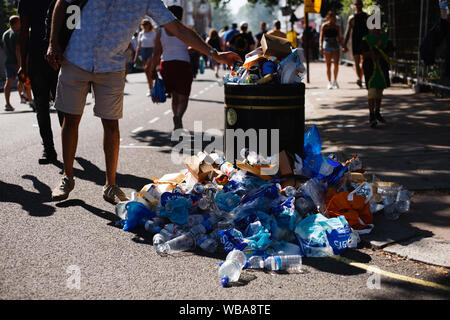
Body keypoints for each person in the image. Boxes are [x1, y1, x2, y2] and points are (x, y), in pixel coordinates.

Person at [46, 0, 241, 203]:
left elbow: (178, 28)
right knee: (70, 120)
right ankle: (67, 177)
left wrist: (215, 54)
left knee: (111, 124)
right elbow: (62, 3)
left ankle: (110, 185)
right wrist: (53, 43)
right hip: (76, 58)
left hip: (111, 66)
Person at [18, 0, 64, 165]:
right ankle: (49, 149)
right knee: (42, 106)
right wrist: (23, 64)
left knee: (62, 106)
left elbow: (75, 26)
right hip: (38, 58)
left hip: (60, 57)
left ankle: (66, 148)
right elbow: (24, 31)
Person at [360, 27, 394, 128]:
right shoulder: (365, 39)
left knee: (379, 92)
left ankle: (377, 112)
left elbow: (391, 52)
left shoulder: (385, 39)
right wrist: (374, 49)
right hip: (370, 69)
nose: (376, 29)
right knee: (372, 92)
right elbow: (363, 53)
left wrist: (383, 53)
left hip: (382, 69)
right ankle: (371, 115)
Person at [343, 0, 369, 88]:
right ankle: (359, 78)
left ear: (362, 5)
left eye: (359, 4)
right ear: (354, 6)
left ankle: (361, 77)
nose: (358, 6)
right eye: (356, 4)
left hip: (365, 41)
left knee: (364, 60)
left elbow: (371, 30)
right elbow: (347, 32)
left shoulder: (366, 16)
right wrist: (344, 45)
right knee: (357, 61)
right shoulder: (351, 18)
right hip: (356, 41)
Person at [319, 11, 343, 89]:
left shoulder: (337, 26)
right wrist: (320, 46)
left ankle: (335, 81)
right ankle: (329, 82)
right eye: (332, 17)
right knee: (328, 64)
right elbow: (321, 37)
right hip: (327, 43)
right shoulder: (324, 26)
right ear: (328, 17)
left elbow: (339, 38)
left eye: (334, 17)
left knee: (336, 63)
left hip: (335, 44)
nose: (334, 18)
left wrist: (343, 46)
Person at [2, 16, 21, 112]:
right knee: (24, 80)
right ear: (15, 23)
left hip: (7, 60)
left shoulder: (5, 34)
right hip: (15, 61)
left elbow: (5, 48)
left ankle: (7, 103)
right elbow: (18, 50)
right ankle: (29, 99)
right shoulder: (16, 34)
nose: (20, 24)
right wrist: (20, 64)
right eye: (19, 22)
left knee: (8, 82)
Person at [134, 19, 157, 96]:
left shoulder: (153, 33)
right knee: (147, 72)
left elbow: (157, 45)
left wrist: (157, 55)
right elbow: (138, 46)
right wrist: (136, 57)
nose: (144, 26)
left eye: (146, 24)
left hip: (151, 51)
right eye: (143, 24)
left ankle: (153, 85)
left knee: (147, 68)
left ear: (149, 25)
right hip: (143, 52)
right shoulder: (141, 34)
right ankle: (151, 88)